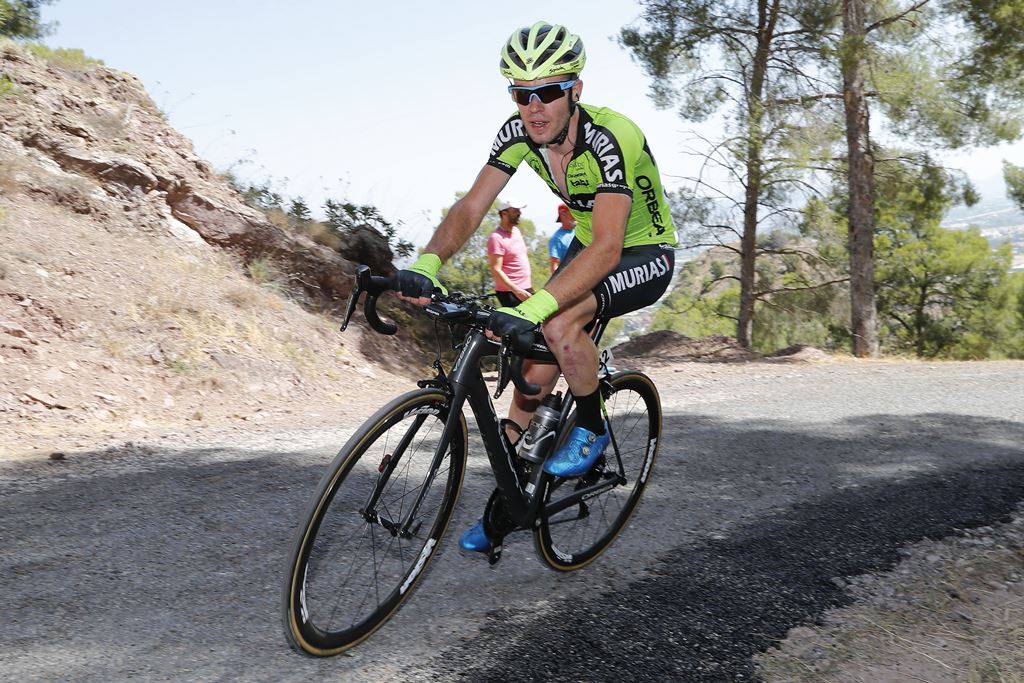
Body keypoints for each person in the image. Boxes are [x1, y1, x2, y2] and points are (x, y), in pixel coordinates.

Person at [394, 20, 677, 554]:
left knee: (557, 322)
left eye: (547, 91)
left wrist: (538, 304)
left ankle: (591, 427)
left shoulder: (613, 135)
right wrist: (428, 263)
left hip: (641, 251)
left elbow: (609, 247)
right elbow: (471, 206)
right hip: (585, 250)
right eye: (522, 94)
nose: (534, 107)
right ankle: (509, 505)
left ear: (575, 90)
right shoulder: (518, 133)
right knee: (528, 376)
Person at [488, 197, 533, 307]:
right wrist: (516, 290)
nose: (519, 213)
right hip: (511, 293)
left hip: (525, 288)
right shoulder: (496, 238)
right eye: (515, 211)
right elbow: (496, 270)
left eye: (519, 210)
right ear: (504, 213)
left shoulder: (516, 231)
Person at [548, 203, 575, 273]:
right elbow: (553, 266)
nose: (575, 215)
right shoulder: (556, 239)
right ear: (563, 214)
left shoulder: (580, 230)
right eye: (572, 212)